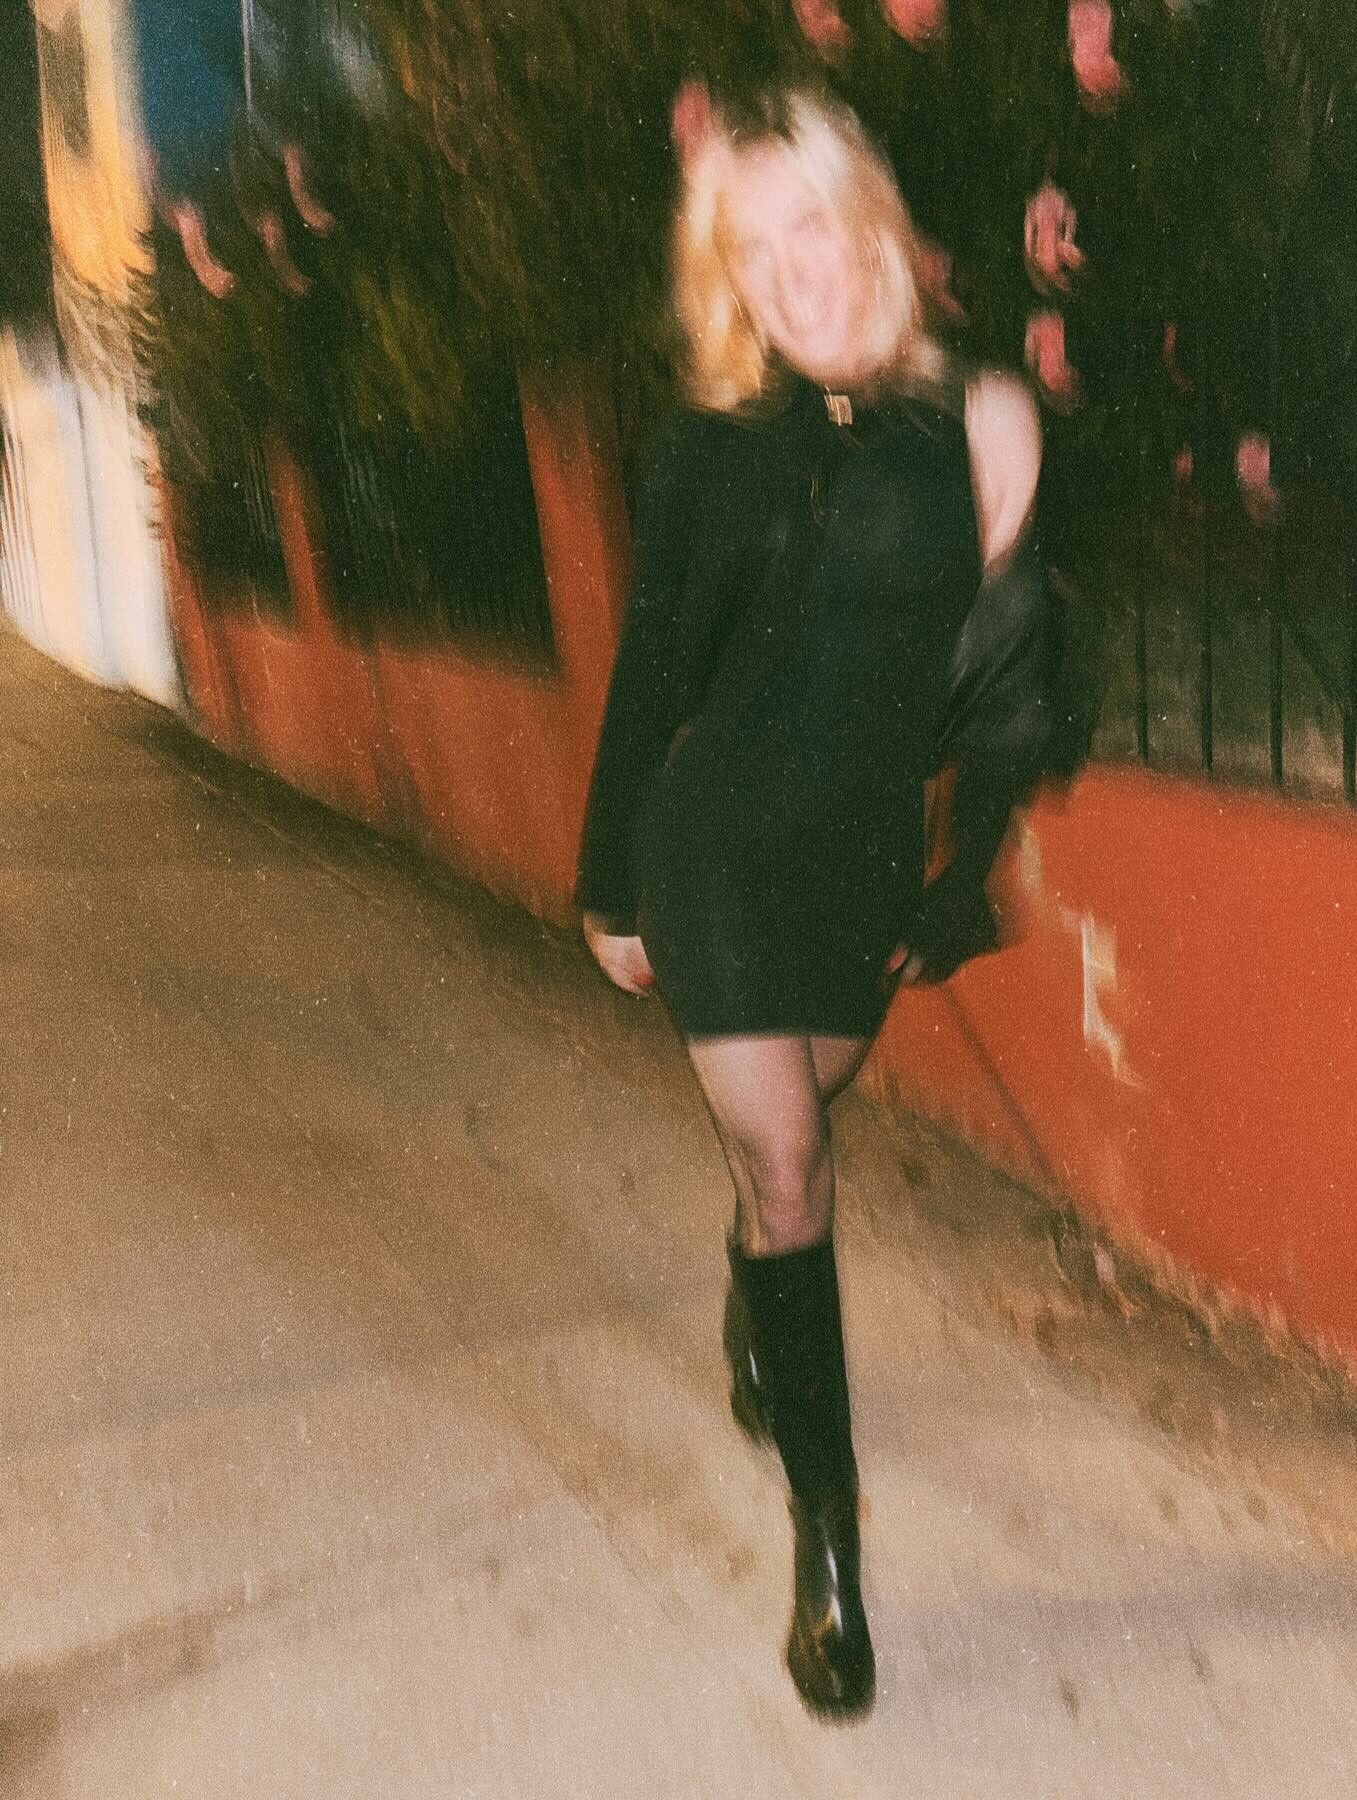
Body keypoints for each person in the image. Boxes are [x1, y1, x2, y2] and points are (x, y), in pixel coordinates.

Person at [575, 83, 1057, 1720]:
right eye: (750, 251)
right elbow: (654, 671)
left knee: (801, 1128)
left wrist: (961, 874)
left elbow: (1006, 686)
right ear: (732, 281)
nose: (791, 272)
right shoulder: (709, 447)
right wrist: (606, 879)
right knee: (794, 1163)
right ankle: (829, 1555)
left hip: (855, 867)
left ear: (868, 228)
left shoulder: (983, 422)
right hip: (710, 849)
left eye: (809, 229)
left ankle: (753, 1286)